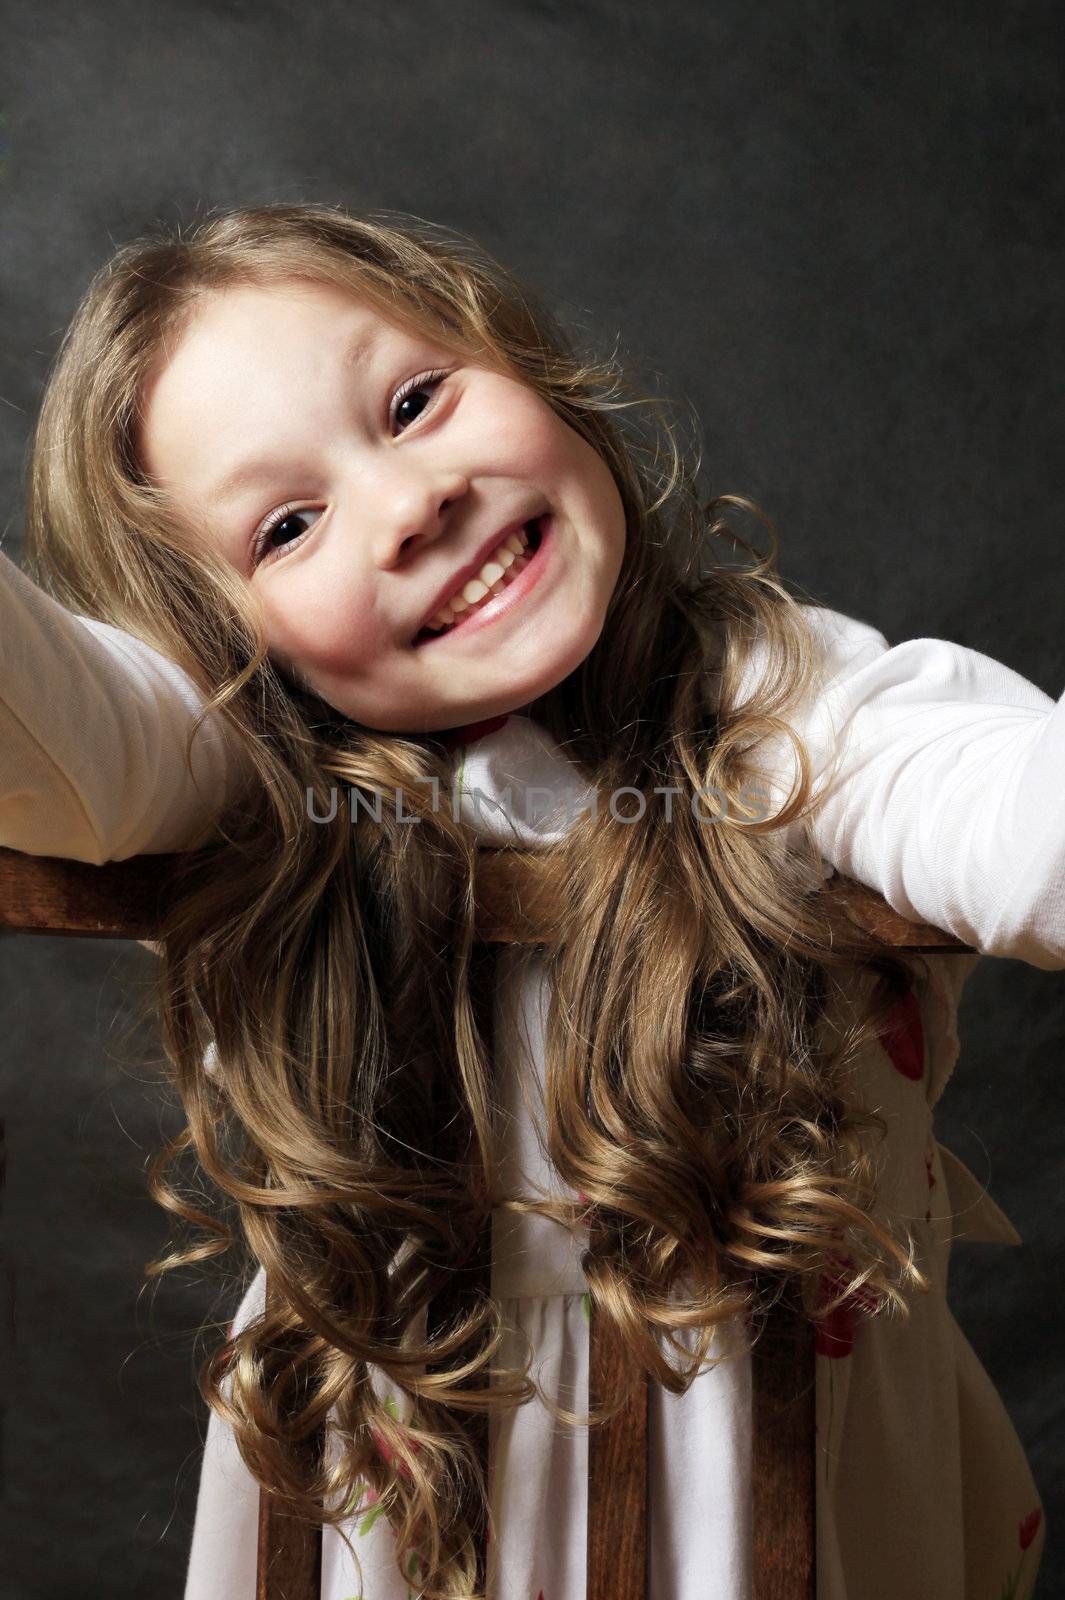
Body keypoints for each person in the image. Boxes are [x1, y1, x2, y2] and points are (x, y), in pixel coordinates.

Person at [2, 203, 1060, 1600]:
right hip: (406, 1487)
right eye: (289, 524)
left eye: (416, 400)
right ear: (220, 641)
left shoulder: (794, 707)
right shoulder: (246, 767)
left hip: (786, 1492)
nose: (408, 501)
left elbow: (1010, 811)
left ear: (532, 372)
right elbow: (44, 733)